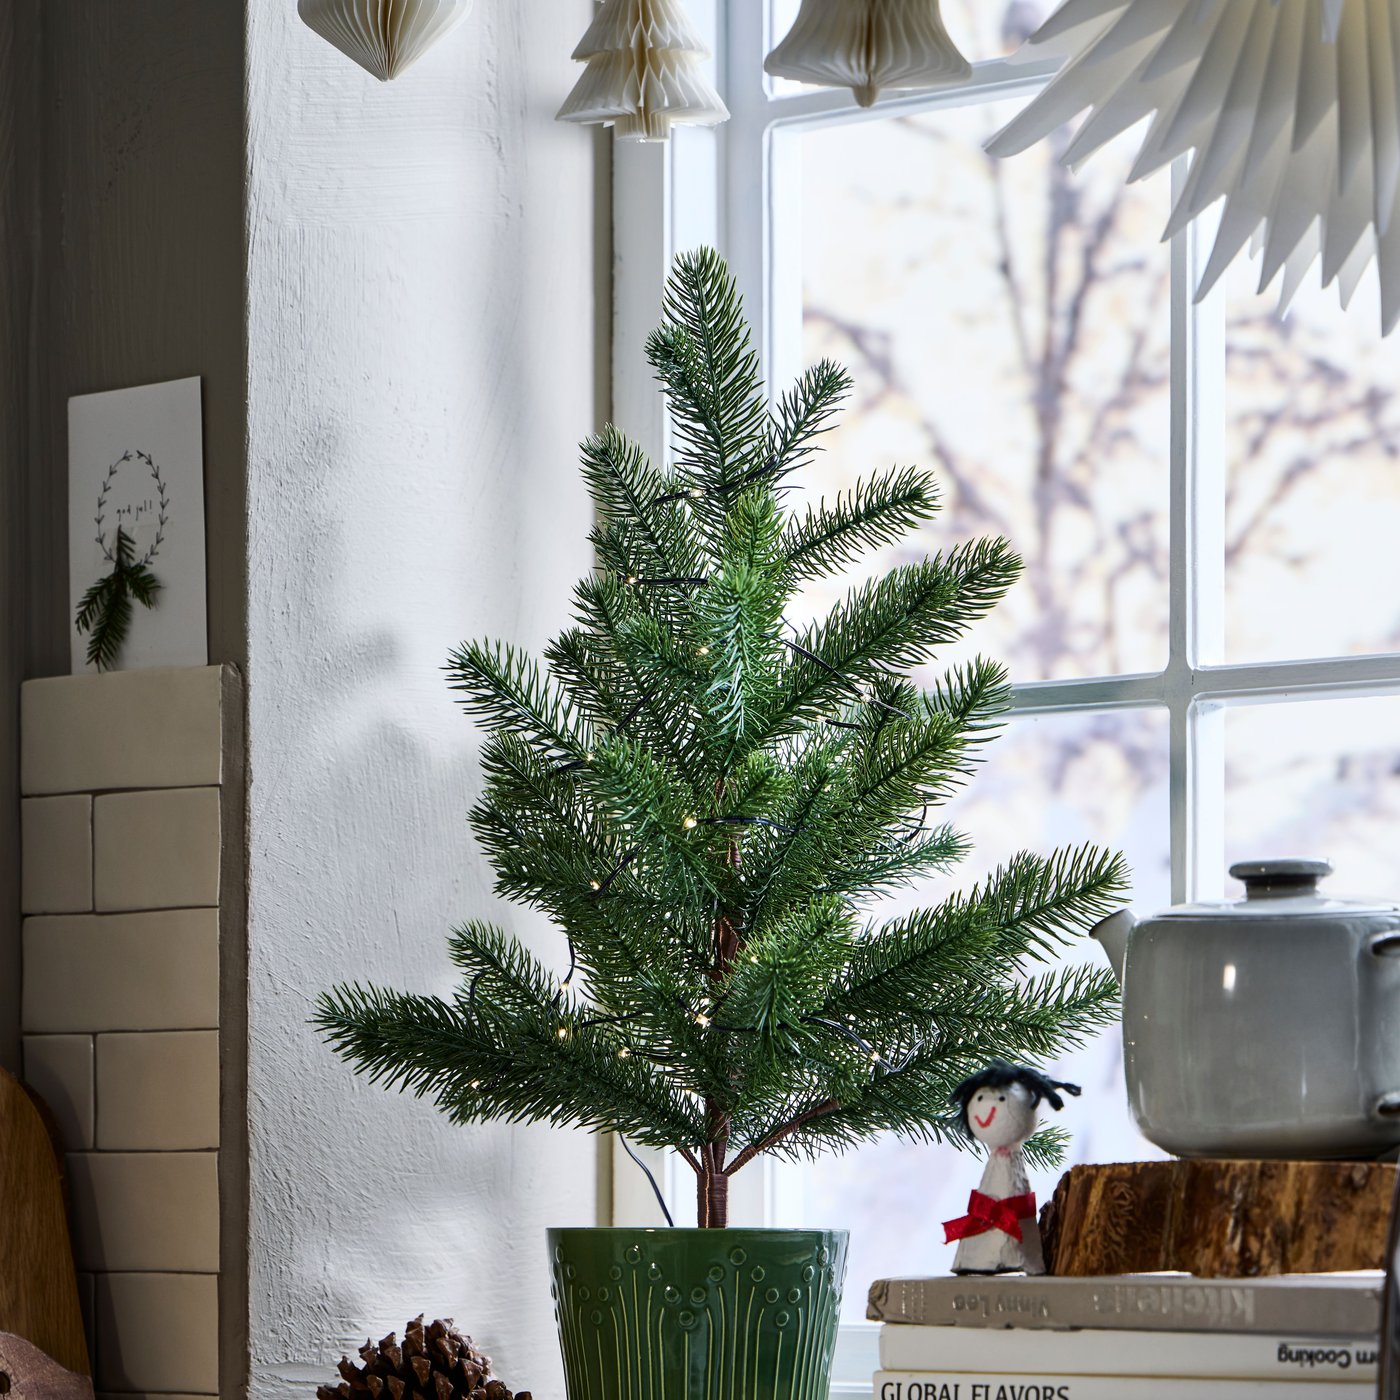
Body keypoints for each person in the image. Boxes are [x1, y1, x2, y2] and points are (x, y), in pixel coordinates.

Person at [943, 1062, 1080, 1275]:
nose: (987, 1109)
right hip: (996, 1219)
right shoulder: (998, 1160)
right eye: (980, 1099)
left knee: (1016, 1217)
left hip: (1013, 1222)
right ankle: (985, 1258)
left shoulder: (1010, 1158)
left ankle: (1008, 1258)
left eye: (1000, 1100)